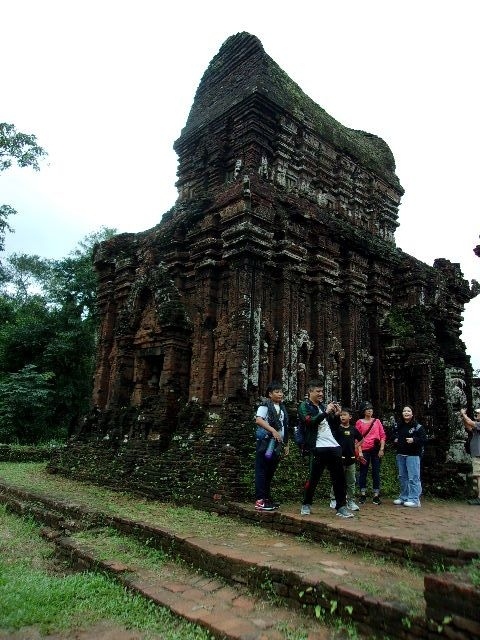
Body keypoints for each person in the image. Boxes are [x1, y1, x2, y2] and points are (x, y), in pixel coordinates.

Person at [298, 380, 354, 518]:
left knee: (339, 477)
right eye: (318, 391)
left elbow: (333, 427)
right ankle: (306, 503)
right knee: (314, 477)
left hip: (333, 445)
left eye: (322, 391)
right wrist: (325, 412)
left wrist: (337, 415)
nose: (321, 394)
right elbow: (309, 422)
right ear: (310, 392)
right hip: (317, 446)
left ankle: (341, 506)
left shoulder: (323, 406)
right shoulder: (304, 406)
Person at [254, 381, 289, 511]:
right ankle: (260, 500)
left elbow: (285, 426)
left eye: (281, 392)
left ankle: (266, 498)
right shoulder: (265, 405)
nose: (280, 394)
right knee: (262, 471)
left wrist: (286, 444)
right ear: (270, 394)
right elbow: (259, 420)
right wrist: (273, 430)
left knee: (270, 471)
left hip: (277, 443)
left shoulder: (282, 407)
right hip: (266, 442)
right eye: (277, 392)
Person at [328, 407, 363, 512]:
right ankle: (334, 499)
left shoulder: (353, 429)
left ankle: (351, 501)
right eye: (341, 415)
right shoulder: (337, 428)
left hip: (351, 459)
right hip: (339, 459)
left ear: (350, 417)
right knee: (338, 480)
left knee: (351, 481)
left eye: (345, 415)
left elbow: (361, 439)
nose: (342, 416)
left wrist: (355, 447)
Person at [391, 405, 427, 507]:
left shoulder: (417, 426)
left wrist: (414, 440)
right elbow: (392, 435)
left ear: (412, 413)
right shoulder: (398, 425)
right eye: (404, 411)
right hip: (401, 454)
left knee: (413, 477)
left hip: (413, 455)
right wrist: (395, 439)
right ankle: (404, 497)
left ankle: (414, 499)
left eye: (408, 411)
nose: (406, 413)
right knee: (403, 477)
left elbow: (424, 440)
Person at [355, 401, 386, 505]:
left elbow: (382, 435)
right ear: (363, 411)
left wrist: (381, 449)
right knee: (363, 472)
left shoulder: (377, 421)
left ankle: (376, 495)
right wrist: (359, 452)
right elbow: (356, 438)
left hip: (375, 450)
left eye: (371, 409)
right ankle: (362, 494)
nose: (369, 411)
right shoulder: (359, 422)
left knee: (376, 472)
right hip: (364, 450)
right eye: (367, 409)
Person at [460, 407, 480, 505]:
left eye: (478, 413)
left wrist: (464, 414)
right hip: (476, 454)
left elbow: (470, 422)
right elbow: (468, 427)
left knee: (479, 476)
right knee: (477, 476)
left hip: (479, 455)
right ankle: (478, 496)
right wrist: (463, 417)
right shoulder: (477, 426)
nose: (476, 414)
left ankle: (479, 498)